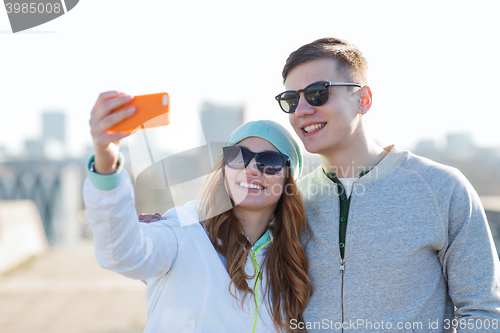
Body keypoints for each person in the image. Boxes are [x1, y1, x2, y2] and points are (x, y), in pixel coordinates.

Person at [274, 37, 500, 332]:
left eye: (318, 94)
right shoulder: (294, 200)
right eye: (291, 99)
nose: (301, 109)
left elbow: (483, 310)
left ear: (363, 99)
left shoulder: (441, 188)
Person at [83, 91, 312, 333]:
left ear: (289, 179)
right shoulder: (184, 231)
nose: (252, 168)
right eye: (238, 156)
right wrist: (106, 165)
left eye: (270, 161)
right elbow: (122, 253)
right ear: (225, 170)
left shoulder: (295, 258)